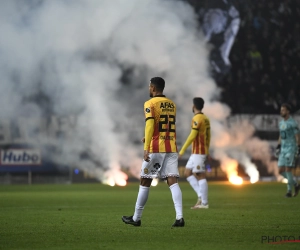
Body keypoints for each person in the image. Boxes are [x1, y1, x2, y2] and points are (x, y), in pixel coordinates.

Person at [122, 77, 184, 227]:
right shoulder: (172, 104)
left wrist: (146, 147)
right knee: (172, 181)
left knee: (145, 180)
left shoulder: (150, 104)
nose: (149, 89)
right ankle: (180, 217)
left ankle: (136, 219)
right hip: (171, 146)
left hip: (156, 148)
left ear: (153, 88)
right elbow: (165, 125)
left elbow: (150, 125)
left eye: (150, 87)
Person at [179, 98, 211, 209]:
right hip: (197, 152)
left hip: (199, 151)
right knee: (187, 173)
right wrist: (208, 150)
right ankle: (201, 196)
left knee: (199, 174)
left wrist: (182, 150)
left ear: (194, 106)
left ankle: (204, 203)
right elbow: (208, 136)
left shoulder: (197, 118)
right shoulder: (206, 118)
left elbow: (192, 135)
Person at [276, 103, 300, 197]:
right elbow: (280, 136)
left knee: (288, 169)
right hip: (283, 148)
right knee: (280, 171)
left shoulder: (293, 123)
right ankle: (296, 184)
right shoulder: (281, 123)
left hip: (291, 148)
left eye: (283, 110)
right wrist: (278, 146)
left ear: (288, 111)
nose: (281, 112)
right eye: (281, 110)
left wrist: (298, 147)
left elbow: (297, 136)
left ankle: (289, 191)